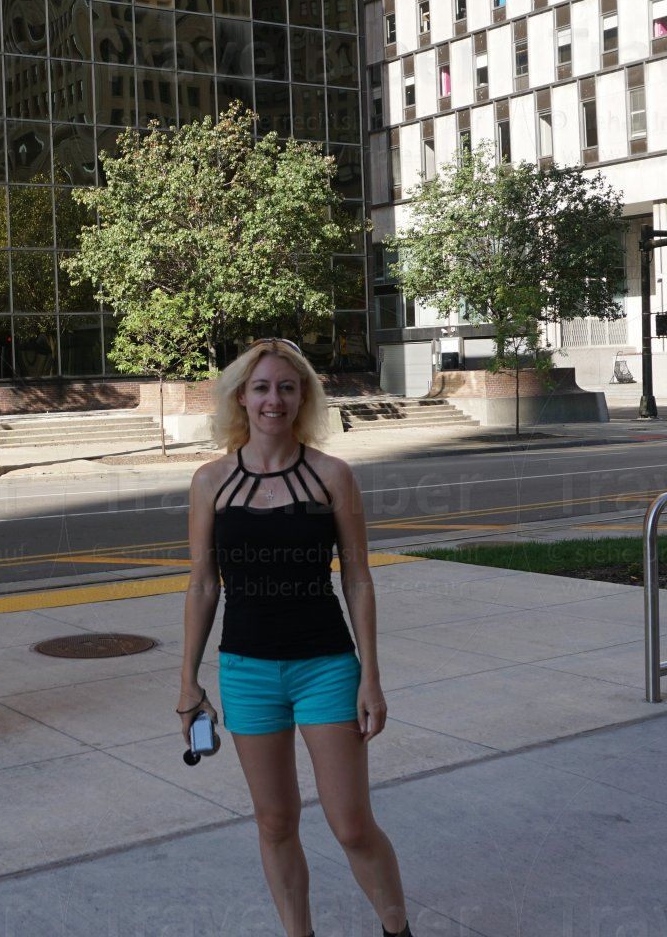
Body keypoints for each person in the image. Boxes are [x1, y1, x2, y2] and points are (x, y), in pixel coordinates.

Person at [178, 338, 411, 937]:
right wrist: (188, 683)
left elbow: (357, 578)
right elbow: (202, 585)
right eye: (261, 388)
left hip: (326, 667)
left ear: (303, 396)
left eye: (286, 387)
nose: (273, 400)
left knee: (351, 824)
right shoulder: (210, 482)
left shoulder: (333, 476)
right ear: (240, 398)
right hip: (247, 672)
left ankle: (397, 930)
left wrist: (371, 676)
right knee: (275, 823)